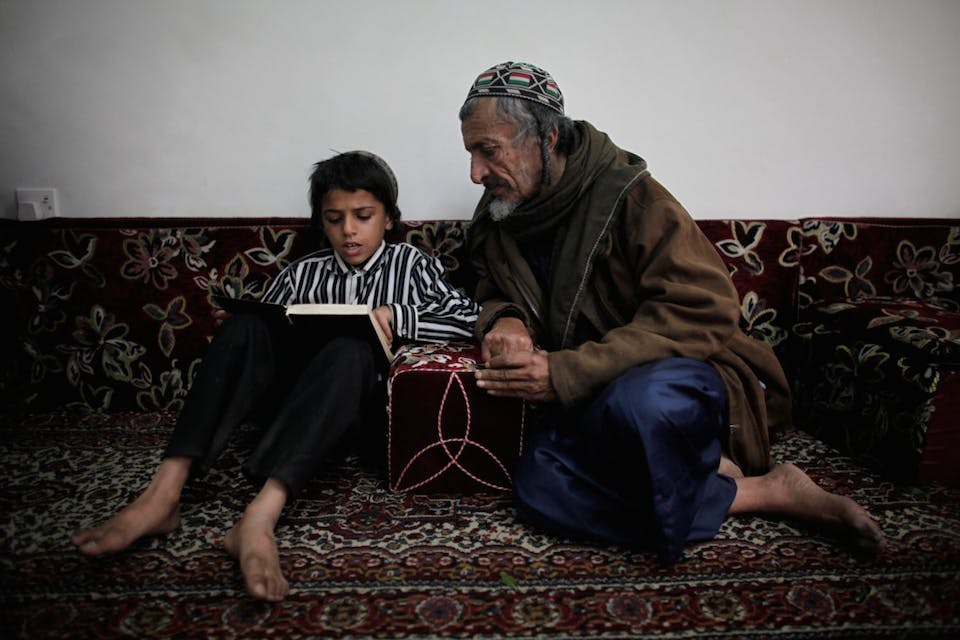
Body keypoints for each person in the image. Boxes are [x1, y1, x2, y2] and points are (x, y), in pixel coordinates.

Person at [459, 61, 884, 563]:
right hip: (589, 402)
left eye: (489, 151)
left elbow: (703, 310)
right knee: (538, 488)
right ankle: (763, 490)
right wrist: (505, 317)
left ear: (548, 138)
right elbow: (482, 287)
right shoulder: (499, 217)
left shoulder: (633, 198)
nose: (475, 173)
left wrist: (565, 370)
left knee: (640, 404)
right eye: (470, 153)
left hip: (684, 379)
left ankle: (703, 457)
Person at [71, 151, 480, 601]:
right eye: (334, 218)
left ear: (387, 219)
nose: (348, 230)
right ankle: (163, 494)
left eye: (363, 216)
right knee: (245, 324)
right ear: (320, 223)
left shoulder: (412, 265)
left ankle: (259, 517)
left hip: (352, 412)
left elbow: (469, 318)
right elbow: (266, 335)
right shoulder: (303, 273)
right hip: (289, 403)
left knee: (350, 348)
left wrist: (397, 316)